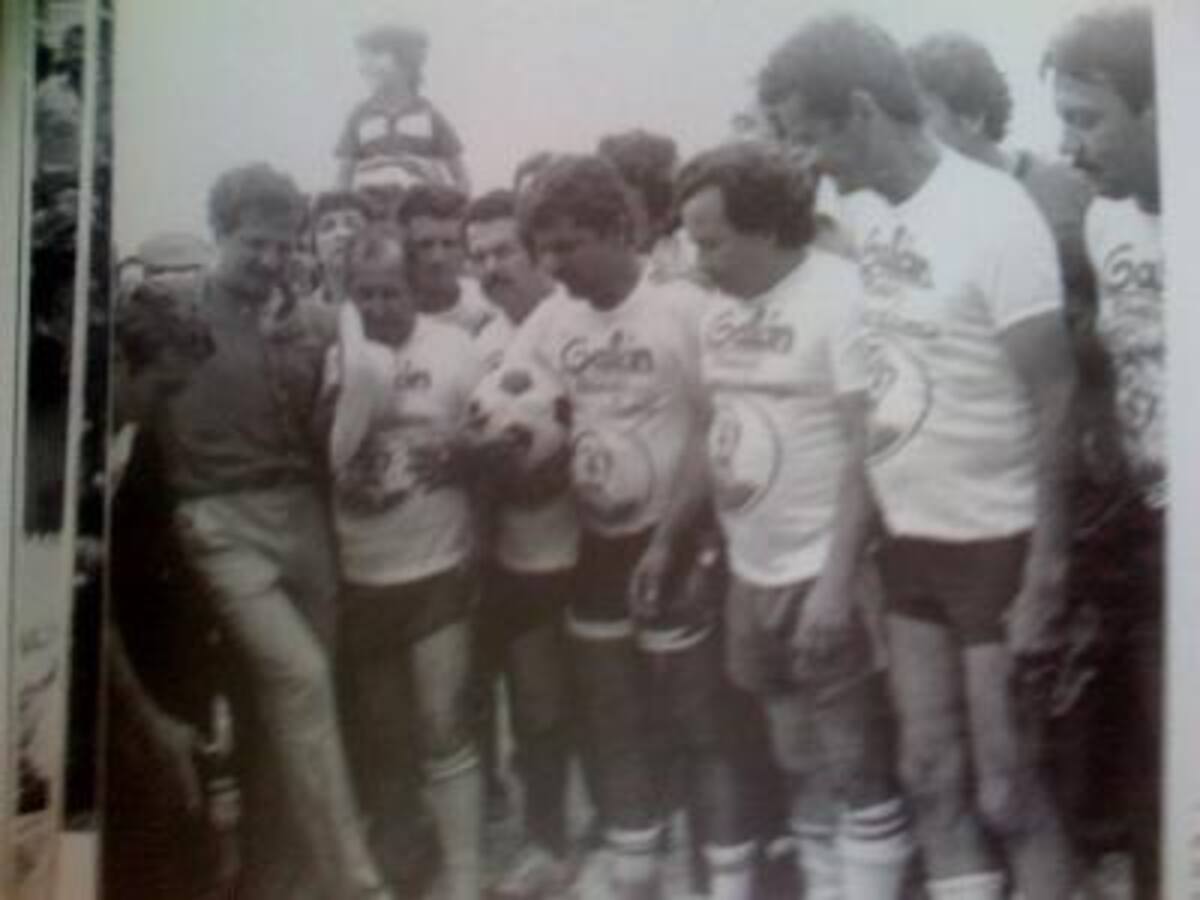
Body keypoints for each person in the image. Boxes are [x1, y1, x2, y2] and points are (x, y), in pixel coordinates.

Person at [759, 16, 1078, 900]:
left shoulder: (994, 213)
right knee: (930, 774)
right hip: (911, 538)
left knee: (1010, 791)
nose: (805, 156)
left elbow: (1054, 397)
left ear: (859, 109)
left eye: (808, 131)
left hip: (998, 537)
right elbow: (875, 395)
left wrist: (1048, 570)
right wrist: (848, 551)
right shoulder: (858, 219)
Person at [640, 140, 915, 899]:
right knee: (796, 758)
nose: (698, 259)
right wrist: (668, 537)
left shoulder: (841, 297)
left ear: (767, 229)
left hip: (823, 570)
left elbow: (869, 451)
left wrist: (834, 582)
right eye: (692, 240)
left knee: (855, 763)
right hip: (750, 571)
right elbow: (708, 429)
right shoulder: (717, 311)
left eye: (712, 241)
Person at [511, 154, 754, 900]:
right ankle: (637, 875)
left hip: (679, 545)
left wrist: (674, 539)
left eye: (569, 244)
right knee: (611, 721)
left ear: (620, 230)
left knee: (699, 727)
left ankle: (725, 881)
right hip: (598, 546)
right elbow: (522, 414)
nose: (554, 265)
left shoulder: (683, 309)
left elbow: (721, 429)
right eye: (543, 248)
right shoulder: (550, 321)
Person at [156, 163, 390, 899]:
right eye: (254, 243)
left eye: (284, 245)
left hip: (304, 515)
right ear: (220, 235)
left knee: (298, 706)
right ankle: (354, 883)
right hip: (220, 522)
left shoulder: (311, 317)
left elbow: (348, 406)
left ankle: (281, 877)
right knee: (302, 681)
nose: (270, 259)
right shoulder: (170, 314)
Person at [325, 225, 486, 900]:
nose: (381, 305)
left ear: (412, 287)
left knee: (442, 724)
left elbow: (490, 436)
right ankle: (404, 869)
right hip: (364, 572)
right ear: (347, 296)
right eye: (365, 294)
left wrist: (455, 447)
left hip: (437, 564)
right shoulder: (338, 355)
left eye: (391, 290)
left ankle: (466, 875)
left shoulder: (455, 347)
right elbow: (321, 454)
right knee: (387, 739)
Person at [1047, 8, 1163, 898]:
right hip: (1152, 538)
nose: (1074, 149)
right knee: (1158, 765)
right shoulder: (1107, 222)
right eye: (1065, 123)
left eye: (1089, 120)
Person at [463, 189, 580, 897]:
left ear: (535, 253)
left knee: (595, 704)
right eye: (481, 256)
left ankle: (619, 835)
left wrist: (554, 466)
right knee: (535, 706)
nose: (491, 266)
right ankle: (548, 840)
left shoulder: (567, 323)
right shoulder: (482, 341)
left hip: (583, 545)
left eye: (504, 250)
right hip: (514, 551)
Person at [104, 280, 221, 900]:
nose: (171, 407)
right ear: (121, 362)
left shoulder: (146, 440)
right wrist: (151, 719)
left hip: (157, 656)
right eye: (164, 389)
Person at [906, 31, 1095, 329]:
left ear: (972, 117)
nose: (911, 135)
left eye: (923, 117)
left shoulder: (1069, 188)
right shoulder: (928, 213)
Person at [336, 24, 470, 195]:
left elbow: (462, 179)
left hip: (419, 214)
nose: (364, 67)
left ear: (406, 62)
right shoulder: (359, 116)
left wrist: (448, 208)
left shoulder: (430, 115)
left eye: (376, 56)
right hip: (372, 215)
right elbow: (342, 180)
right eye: (363, 58)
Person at [397, 183, 512, 367]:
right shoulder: (387, 313)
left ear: (466, 248)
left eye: (449, 244)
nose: (438, 258)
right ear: (406, 247)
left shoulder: (491, 306)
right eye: (425, 245)